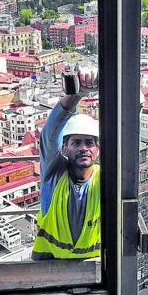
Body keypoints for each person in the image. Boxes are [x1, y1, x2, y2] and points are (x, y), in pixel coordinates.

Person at [31, 73, 101, 260]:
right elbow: (50, 134)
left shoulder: (105, 179)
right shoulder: (53, 175)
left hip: (94, 268)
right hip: (51, 265)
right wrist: (76, 95)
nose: (83, 148)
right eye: (76, 143)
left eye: (89, 143)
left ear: (98, 150)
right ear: (64, 148)